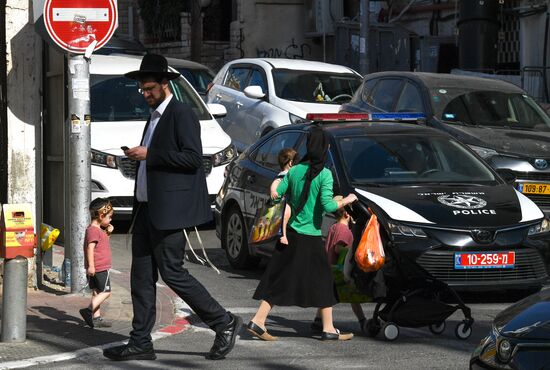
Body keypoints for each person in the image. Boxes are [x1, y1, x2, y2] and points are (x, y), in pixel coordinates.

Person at [103, 54, 241, 362]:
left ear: (165, 84)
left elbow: (193, 159)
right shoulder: (154, 116)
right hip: (146, 209)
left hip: (169, 212)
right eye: (142, 89)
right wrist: (138, 158)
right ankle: (140, 341)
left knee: (174, 273)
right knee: (141, 277)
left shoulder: (181, 114)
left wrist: (150, 154)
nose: (145, 93)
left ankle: (225, 322)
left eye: (149, 88)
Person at [247, 125, 358, 341]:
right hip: (310, 235)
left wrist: (277, 183)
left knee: (279, 278)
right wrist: (346, 200)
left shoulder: (295, 170)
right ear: (324, 148)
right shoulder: (324, 174)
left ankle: (259, 320)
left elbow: (277, 195)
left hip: (291, 233)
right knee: (325, 279)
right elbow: (327, 206)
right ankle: (326, 328)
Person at [311, 198, 368, 333]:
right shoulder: (344, 230)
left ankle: (318, 320)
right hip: (339, 269)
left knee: (328, 296)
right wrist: (352, 251)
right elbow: (338, 248)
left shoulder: (334, 226)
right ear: (347, 215)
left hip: (329, 267)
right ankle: (362, 320)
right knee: (353, 297)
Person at [79, 198, 114, 329]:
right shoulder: (93, 230)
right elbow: (90, 248)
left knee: (96, 292)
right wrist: (92, 266)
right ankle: (88, 310)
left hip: (96, 267)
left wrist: (108, 233)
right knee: (106, 292)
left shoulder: (96, 229)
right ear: (101, 216)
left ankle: (97, 317)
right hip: (99, 267)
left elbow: (102, 243)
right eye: (109, 217)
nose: (110, 220)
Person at [269, 148, 297, 245]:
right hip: (283, 203)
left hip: (289, 201)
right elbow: (276, 182)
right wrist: (273, 190)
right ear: (291, 163)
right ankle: (283, 235)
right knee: (287, 212)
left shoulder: (290, 173)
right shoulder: (284, 174)